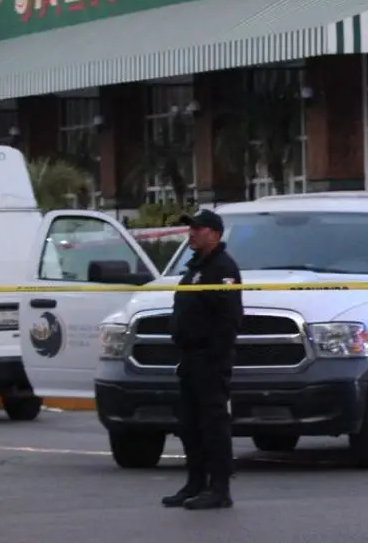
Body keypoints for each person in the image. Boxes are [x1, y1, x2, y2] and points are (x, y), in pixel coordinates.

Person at [161, 210, 243, 511]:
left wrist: (213, 355)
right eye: (191, 227)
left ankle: (219, 488)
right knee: (189, 423)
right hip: (190, 357)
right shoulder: (196, 267)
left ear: (215, 233)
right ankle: (195, 482)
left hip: (210, 359)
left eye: (199, 228)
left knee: (213, 423)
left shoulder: (223, 269)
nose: (192, 232)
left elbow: (229, 318)